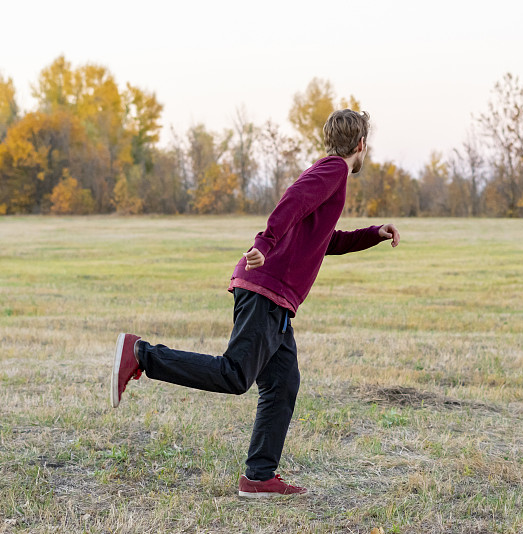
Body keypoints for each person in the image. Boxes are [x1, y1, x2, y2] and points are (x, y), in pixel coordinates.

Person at [110, 109, 400, 497]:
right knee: (234, 374)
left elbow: (322, 240)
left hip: (274, 297)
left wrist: (372, 234)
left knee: (282, 384)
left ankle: (259, 477)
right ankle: (141, 354)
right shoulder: (333, 171)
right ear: (361, 144)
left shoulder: (328, 173)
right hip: (267, 289)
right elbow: (291, 201)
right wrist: (263, 243)